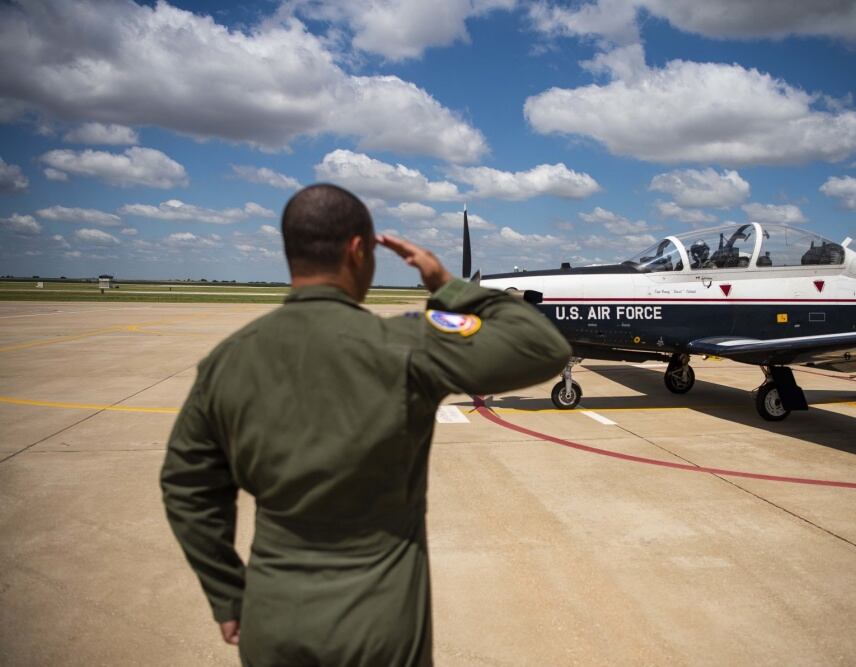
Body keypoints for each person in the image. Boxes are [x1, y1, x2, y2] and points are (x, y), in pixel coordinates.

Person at [161, 183, 572, 666]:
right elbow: (544, 347)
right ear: (358, 251)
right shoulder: (404, 345)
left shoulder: (226, 361)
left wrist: (228, 593)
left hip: (273, 623)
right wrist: (446, 283)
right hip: (380, 630)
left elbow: (186, 486)